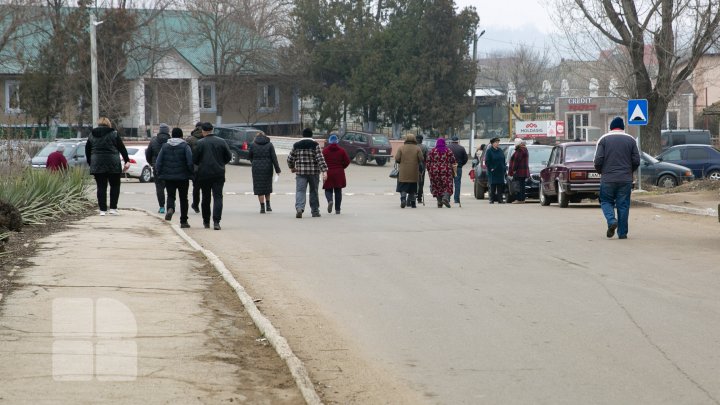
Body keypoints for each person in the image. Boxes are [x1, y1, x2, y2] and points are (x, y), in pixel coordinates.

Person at [594, 116, 640, 239]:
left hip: (608, 178)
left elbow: (598, 160)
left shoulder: (603, 139)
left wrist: (601, 172)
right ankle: (623, 233)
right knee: (623, 205)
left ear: (611, 127)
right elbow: (636, 160)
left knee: (605, 201)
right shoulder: (631, 140)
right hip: (625, 179)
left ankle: (611, 221)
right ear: (623, 127)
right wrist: (629, 172)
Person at [85, 117, 131, 216]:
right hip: (113, 163)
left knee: (101, 187)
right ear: (108, 124)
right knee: (115, 186)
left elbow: (87, 150)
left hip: (97, 163)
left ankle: (102, 210)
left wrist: (90, 162)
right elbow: (121, 148)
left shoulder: (91, 135)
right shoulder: (114, 133)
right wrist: (127, 160)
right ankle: (113, 208)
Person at [193, 122, 232, 230]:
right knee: (218, 197)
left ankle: (206, 222)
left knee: (206, 197)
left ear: (203, 131)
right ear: (212, 130)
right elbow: (228, 156)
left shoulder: (200, 143)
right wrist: (220, 163)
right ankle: (216, 222)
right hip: (218, 173)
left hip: (204, 174)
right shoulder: (221, 141)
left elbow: (195, 159)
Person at [155, 127, 193, 228]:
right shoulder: (185, 146)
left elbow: (158, 162)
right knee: (184, 198)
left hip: (168, 177)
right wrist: (191, 172)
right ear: (181, 136)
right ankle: (184, 221)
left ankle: (170, 208)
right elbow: (190, 161)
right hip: (183, 177)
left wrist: (159, 173)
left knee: (171, 196)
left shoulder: (165, 146)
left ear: (172, 135)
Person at [287, 128, 328, 218]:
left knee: (300, 191)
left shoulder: (296, 145)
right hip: (314, 173)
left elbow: (290, 159)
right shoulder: (315, 145)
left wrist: (292, 167)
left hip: (301, 172)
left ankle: (299, 208)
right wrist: (324, 171)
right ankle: (315, 211)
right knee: (314, 191)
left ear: (303, 135)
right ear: (311, 135)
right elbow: (320, 159)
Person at [249, 131, 281, 214]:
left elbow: (249, 157)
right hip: (267, 167)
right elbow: (274, 158)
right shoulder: (269, 144)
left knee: (259, 187)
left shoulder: (253, 145)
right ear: (264, 136)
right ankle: (268, 206)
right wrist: (277, 170)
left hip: (256, 168)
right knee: (267, 186)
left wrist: (254, 162)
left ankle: (262, 207)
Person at [146, 123, 171, 213]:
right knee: (170, 187)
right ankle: (170, 206)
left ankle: (161, 207)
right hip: (169, 167)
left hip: (157, 167)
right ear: (168, 131)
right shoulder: (171, 141)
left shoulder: (153, 141)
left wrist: (152, 163)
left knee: (159, 188)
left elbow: (148, 154)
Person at [322, 134, 350, 214]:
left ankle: (330, 200)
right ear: (337, 141)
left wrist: (324, 170)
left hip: (328, 172)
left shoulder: (325, 151)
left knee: (328, 189)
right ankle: (337, 209)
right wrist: (342, 167)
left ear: (329, 141)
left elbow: (322, 161)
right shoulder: (342, 150)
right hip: (339, 173)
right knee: (338, 191)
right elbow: (347, 161)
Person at [394, 134, 424, 208]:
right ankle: (413, 204)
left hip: (403, 172)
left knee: (403, 187)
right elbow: (421, 159)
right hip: (414, 171)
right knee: (413, 189)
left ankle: (403, 199)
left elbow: (397, 159)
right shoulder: (417, 148)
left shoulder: (401, 148)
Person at [426, 138, 456, 208]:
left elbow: (428, 162)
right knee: (448, 185)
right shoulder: (448, 151)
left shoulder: (432, 151)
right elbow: (453, 161)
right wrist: (454, 170)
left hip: (434, 171)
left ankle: (439, 202)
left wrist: (429, 170)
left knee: (437, 186)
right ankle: (445, 197)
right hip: (446, 171)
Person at [185, 121, 203, 213]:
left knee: (196, 187)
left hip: (194, 168)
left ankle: (195, 205)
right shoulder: (207, 137)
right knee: (206, 188)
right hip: (206, 167)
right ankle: (205, 206)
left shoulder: (190, 139)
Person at [485, 137, 507, 204]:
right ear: (492, 143)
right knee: (493, 185)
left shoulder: (500, 150)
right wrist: (491, 168)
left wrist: (504, 167)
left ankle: (500, 199)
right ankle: (492, 199)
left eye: (498, 142)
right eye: (496, 142)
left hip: (500, 170)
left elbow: (503, 159)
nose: (497, 144)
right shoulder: (489, 151)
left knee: (500, 185)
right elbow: (487, 161)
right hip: (493, 171)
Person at [507, 138, 529, 204]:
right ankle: (522, 199)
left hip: (519, 171)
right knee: (522, 186)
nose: (515, 145)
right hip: (523, 171)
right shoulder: (525, 150)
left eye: (515, 144)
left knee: (518, 186)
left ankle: (519, 199)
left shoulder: (519, 151)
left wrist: (513, 170)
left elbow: (516, 162)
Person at [448, 136, 468, 205]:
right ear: (458, 141)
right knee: (457, 183)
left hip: (449, 168)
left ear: (451, 141)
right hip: (458, 167)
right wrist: (461, 165)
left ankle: (447, 198)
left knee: (448, 183)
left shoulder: (447, 147)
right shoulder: (461, 148)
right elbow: (465, 158)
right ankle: (456, 199)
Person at [415, 134, 429, 203]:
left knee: (414, 181)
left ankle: (413, 196)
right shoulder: (425, 147)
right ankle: (419, 198)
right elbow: (427, 157)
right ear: (422, 140)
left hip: (413, 166)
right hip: (422, 167)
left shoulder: (413, 147)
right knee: (421, 182)